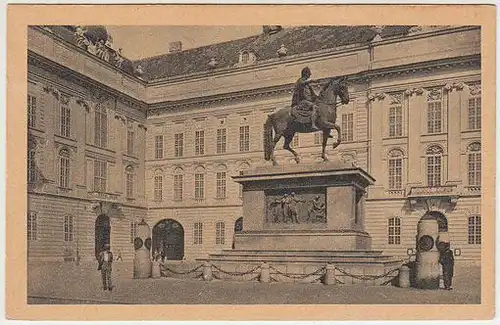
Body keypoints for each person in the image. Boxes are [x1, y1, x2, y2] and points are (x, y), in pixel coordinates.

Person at [291, 67, 327, 134]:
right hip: (302, 101)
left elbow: (313, 95)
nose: (309, 75)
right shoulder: (300, 81)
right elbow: (302, 83)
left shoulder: (308, 86)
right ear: (306, 74)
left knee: (321, 108)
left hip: (309, 102)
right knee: (315, 107)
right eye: (308, 74)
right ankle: (313, 124)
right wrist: (311, 81)